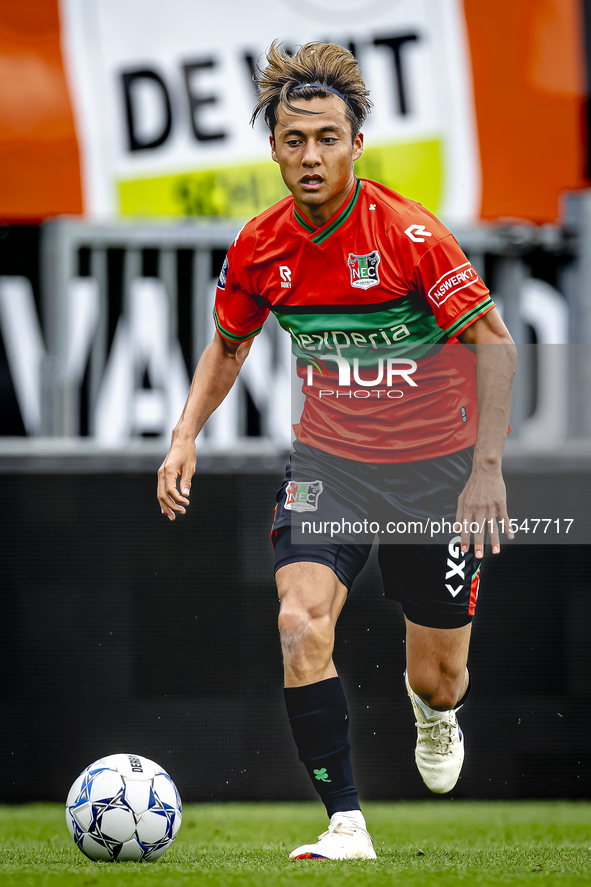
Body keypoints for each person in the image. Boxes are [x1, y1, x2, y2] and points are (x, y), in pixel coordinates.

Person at [157, 41, 516, 861]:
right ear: (275, 147)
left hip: (436, 474)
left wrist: (486, 470)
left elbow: (496, 347)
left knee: (437, 676)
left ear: (356, 143)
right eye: (293, 140)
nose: (309, 156)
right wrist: (184, 436)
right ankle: (345, 824)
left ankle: (434, 712)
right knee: (297, 620)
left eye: (326, 138)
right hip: (329, 469)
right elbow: (228, 345)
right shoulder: (260, 246)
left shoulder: (410, 235)